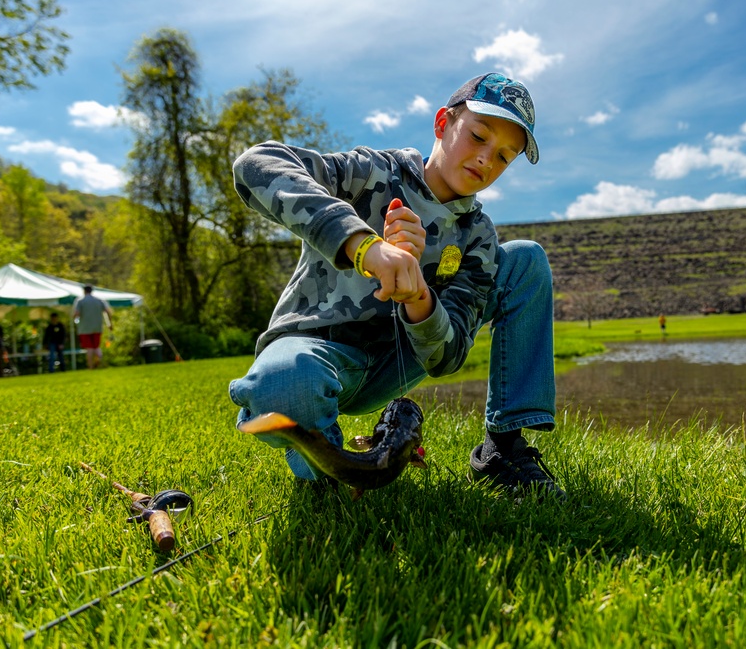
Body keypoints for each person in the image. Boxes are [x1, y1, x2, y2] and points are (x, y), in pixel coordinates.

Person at [229, 73, 564, 500]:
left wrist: (419, 297)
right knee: (282, 384)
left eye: (503, 157)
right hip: (316, 350)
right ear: (442, 123)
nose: (486, 160)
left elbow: (448, 357)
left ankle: (503, 449)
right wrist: (361, 244)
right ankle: (329, 470)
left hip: (397, 361)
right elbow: (256, 165)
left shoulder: (478, 236)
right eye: (478, 137)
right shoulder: (372, 172)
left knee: (524, 259)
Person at [71, 284, 113, 370]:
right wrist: (109, 324)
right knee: (96, 347)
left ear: (84, 291)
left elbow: (76, 314)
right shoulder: (99, 300)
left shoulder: (80, 301)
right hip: (97, 327)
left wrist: (73, 318)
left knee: (89, 348)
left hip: (84, 328)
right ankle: (99, 358)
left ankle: (91, 367)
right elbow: (108, 312)